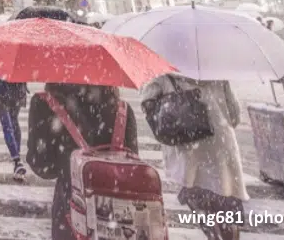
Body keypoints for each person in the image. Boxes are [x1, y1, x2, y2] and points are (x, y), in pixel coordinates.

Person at [27, 82, 140, 240]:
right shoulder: (123, 111)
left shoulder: (46, 104)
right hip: (115, 219)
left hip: (71, 212)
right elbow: (131, 168)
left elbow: (42, 166)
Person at [141, 75, 247, 240]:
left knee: (206, 213)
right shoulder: (217, 73)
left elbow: (149, 104)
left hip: (191, 157)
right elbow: (234, 117)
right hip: (223, 154)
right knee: (228, 216)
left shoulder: (164, 74)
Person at [0, 74, 29, 181]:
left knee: (7, 125)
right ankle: (17, 158)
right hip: (16, 87)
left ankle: (17, 159)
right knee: (13, 122)